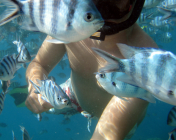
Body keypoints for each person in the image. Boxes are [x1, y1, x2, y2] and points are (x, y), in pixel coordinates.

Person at [25, 0, 158, 139]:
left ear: (137, 5)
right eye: (95, 1)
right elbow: (38, 63)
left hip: (118, 125)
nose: (103, 12)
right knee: (55, 101)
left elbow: (106, 134)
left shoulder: (147, 62)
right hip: (72, 95)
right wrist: (36, 86)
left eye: (117, 2)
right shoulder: (71, 27)